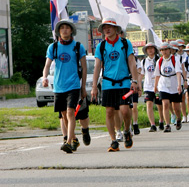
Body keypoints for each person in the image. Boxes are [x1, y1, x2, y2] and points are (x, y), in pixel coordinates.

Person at [91, 18, 139, 152]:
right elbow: (97, 67)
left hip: (123, 82)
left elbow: (131, 62)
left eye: (110, 27)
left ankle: (127, 130)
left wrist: (135, 81)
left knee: (124, 110)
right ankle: (113, 140)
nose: (107, 29)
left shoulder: (125, 43)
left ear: (116, 29)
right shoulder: (101, 46)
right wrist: (94, 86)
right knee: (109, 111)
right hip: (107, 83)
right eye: (105, 27)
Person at [42, 19, 87, 153]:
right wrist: (44, 77)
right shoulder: (53, 47)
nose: (65, 30)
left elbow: (84, 68)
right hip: (58, 86)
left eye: (67, 28)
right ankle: (73, 139)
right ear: (58, 31)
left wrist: (83, 87)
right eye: (62, 28)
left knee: (70, 112)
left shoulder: (78, 46)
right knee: (63, 114)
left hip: (73, 85)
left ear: (72, 30)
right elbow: (47, 65)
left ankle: (68, 142)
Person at [154, 42, 183, 132]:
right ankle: (167, 125)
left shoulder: (175, 59)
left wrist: (179, 84)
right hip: (163, 84)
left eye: (166, 49)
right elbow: (157, 75)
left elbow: (178, 72)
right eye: (162, 50)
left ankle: (178, 118)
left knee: (176, 107)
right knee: (165, 104)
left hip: (174, 84)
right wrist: (155, 86)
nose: (164, 52)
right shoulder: (160, 61)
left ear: (170, 50)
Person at [141, 42, 164, 132]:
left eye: (152, 48)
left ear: (155, 49)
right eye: (148, 48)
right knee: (149, 104)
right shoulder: (144, 61)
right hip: (148, 86)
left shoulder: (160, 60)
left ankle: (161, 121)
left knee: (159, 105)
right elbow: (141, 74)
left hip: (159, 86)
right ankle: (152, 124)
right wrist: (139, 84)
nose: (150, 50)